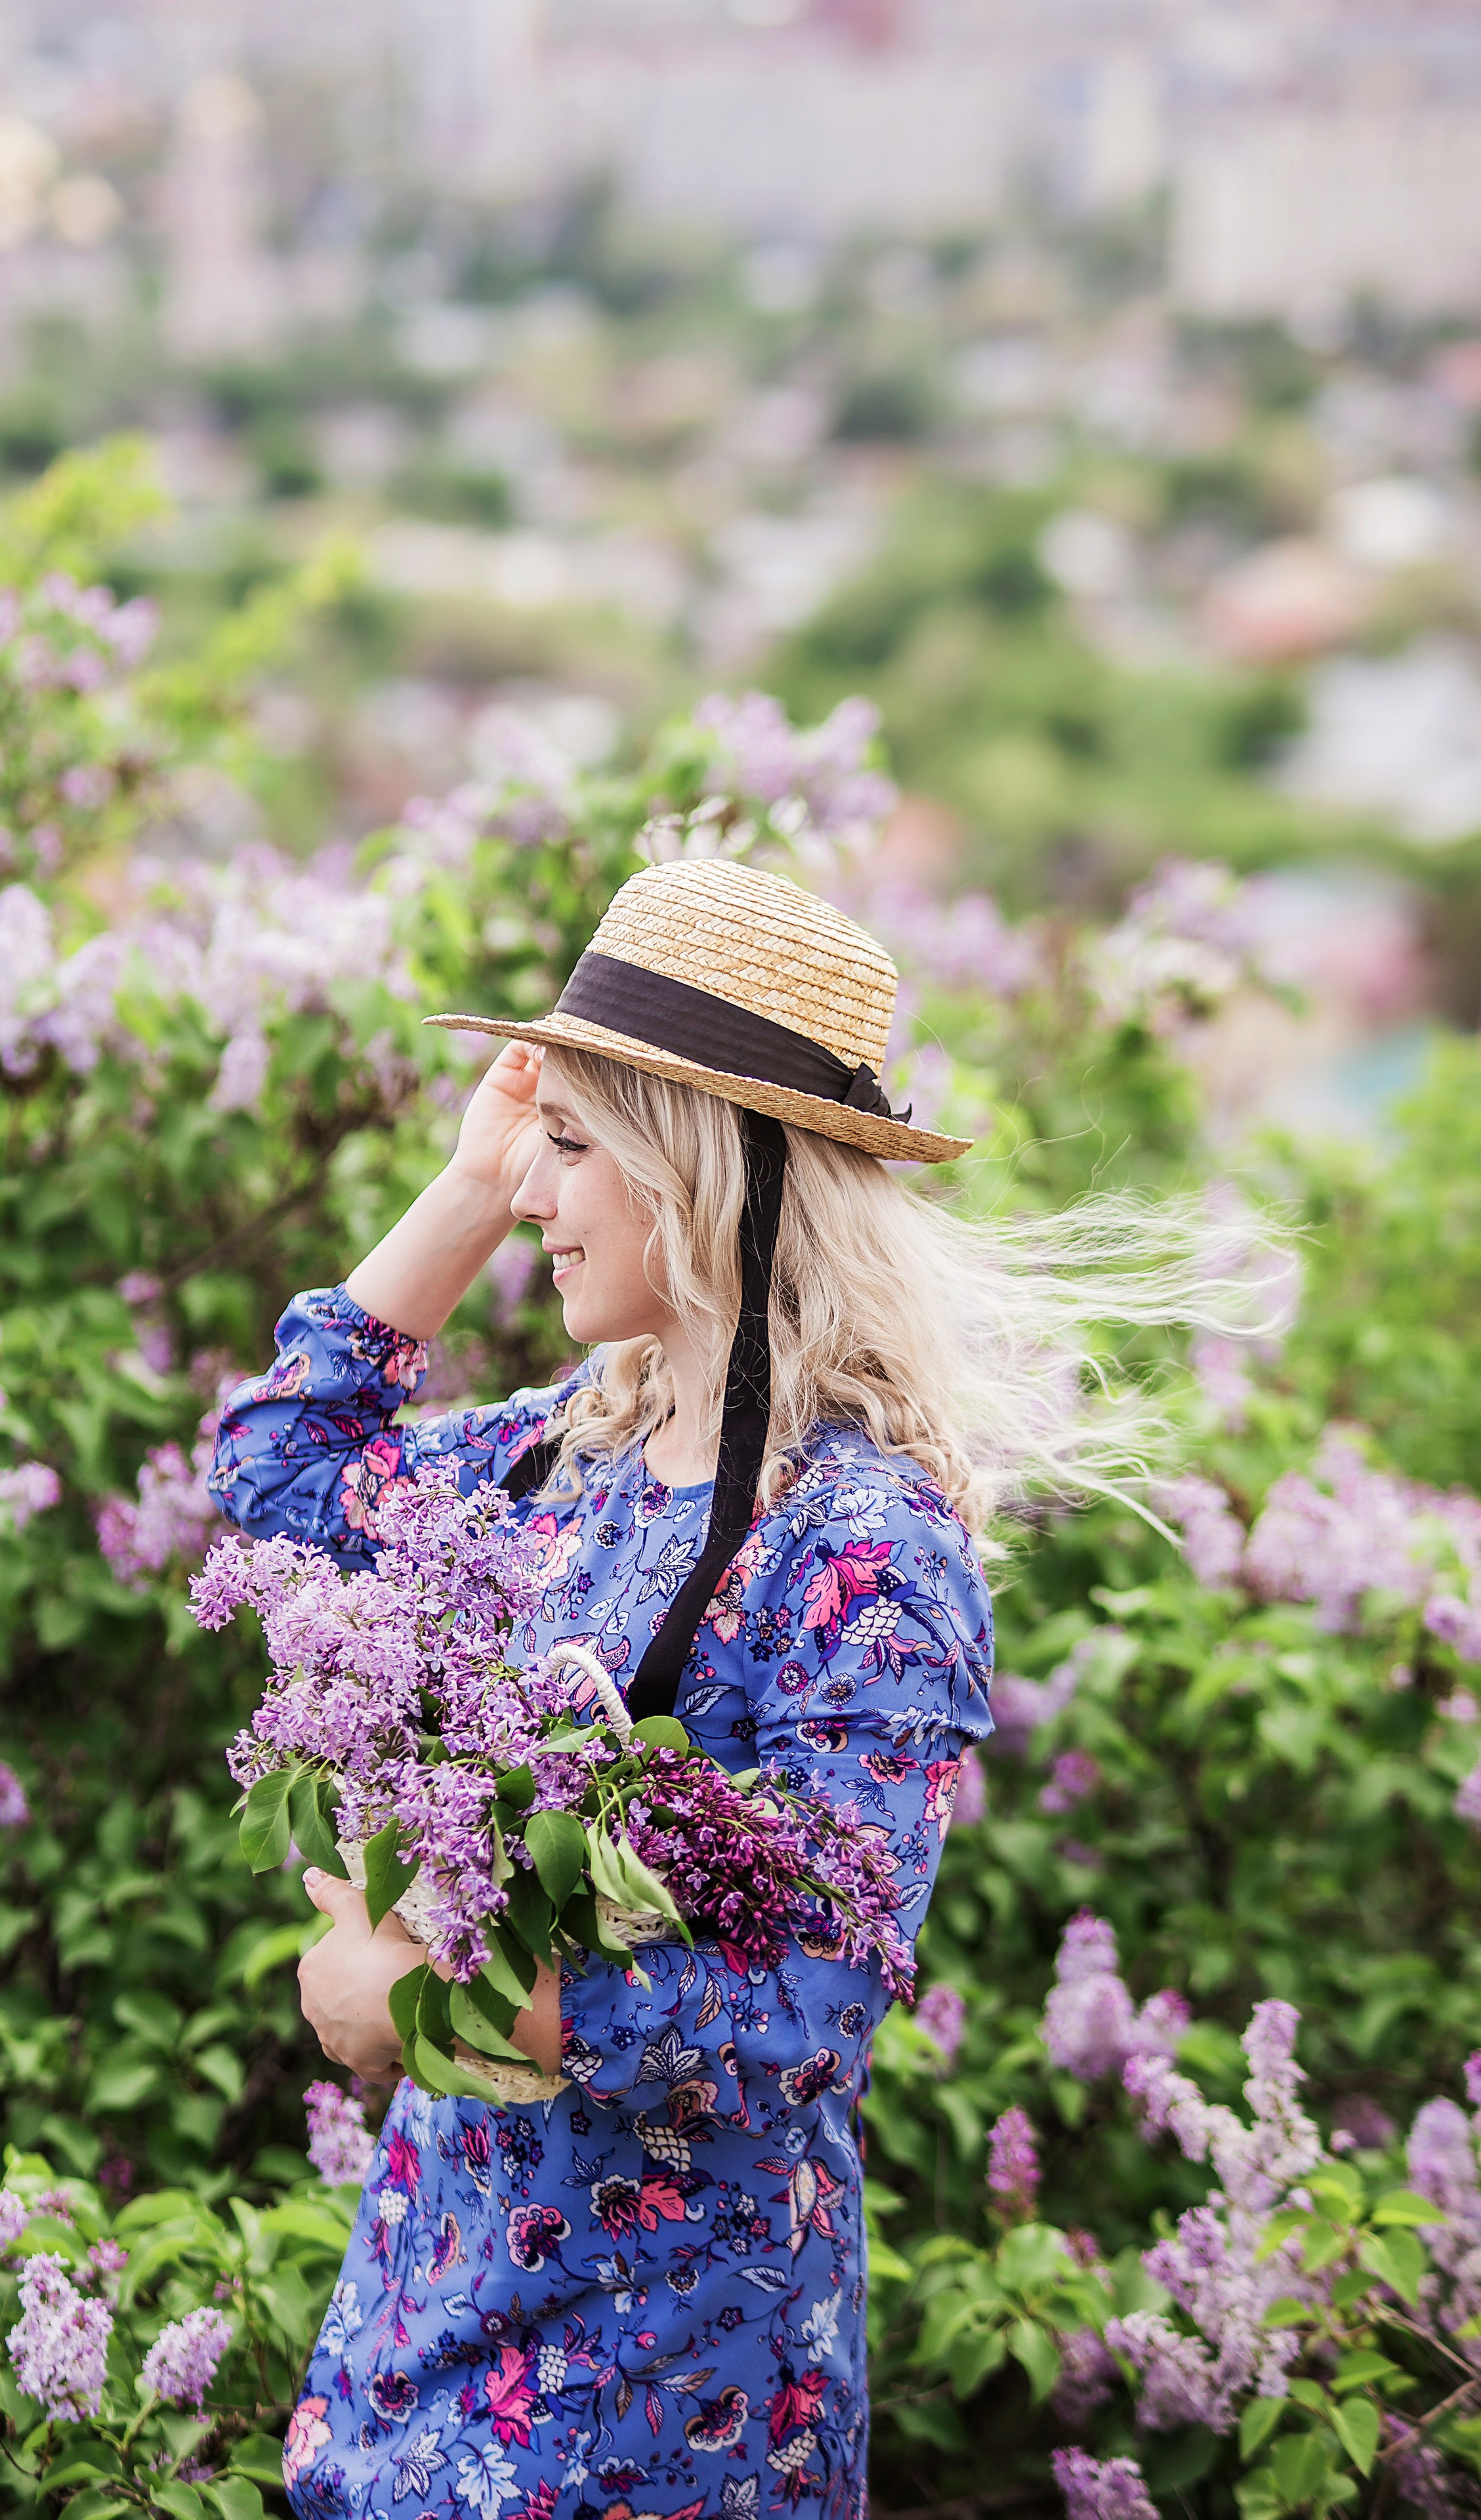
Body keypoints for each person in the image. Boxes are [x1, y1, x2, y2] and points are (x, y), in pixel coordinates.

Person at [209, 858, 1224, 2520]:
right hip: (422, 2346)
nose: (540, 1200)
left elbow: (811, 2001)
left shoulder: (861, 1542)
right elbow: (279, 1472)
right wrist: (470, 1183)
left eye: (571, 1149)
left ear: (704, 1175)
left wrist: (412, 2000)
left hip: (661, 2411)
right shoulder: (561, 1454)